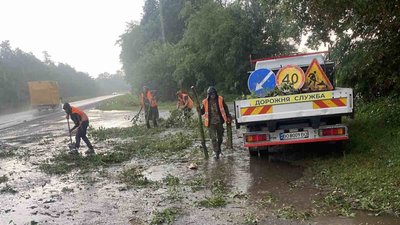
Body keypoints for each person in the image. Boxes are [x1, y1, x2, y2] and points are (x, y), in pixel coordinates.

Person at [200, 86, 231, 159]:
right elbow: (202, 112)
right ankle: (216, 152)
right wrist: (199, 110)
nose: (212, 95)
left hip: (219, 121)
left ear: (215, 93)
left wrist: (228, 116)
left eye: (213, 94)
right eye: (211, 94)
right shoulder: (205, 102)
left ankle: (219, 149)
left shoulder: (220, 99)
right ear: (209, 95)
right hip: (211, 123)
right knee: (213, 138)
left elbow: (225, 108)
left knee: (220, 138)